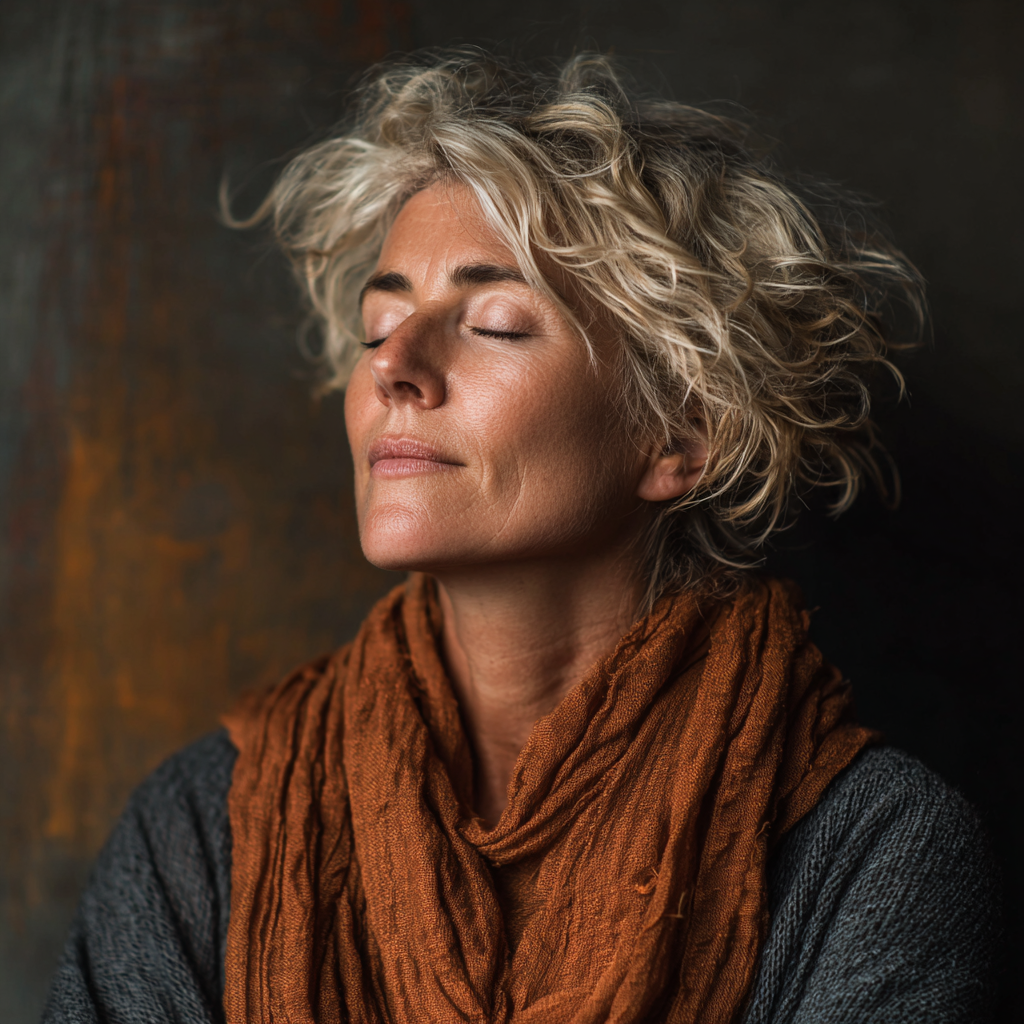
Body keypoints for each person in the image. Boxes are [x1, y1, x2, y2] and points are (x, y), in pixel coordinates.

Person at [42, 49, 999, 1024]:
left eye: (494, 321)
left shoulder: (872, 848)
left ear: (681, 432)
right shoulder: (204, 827)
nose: (394, 369)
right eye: (379, 325)